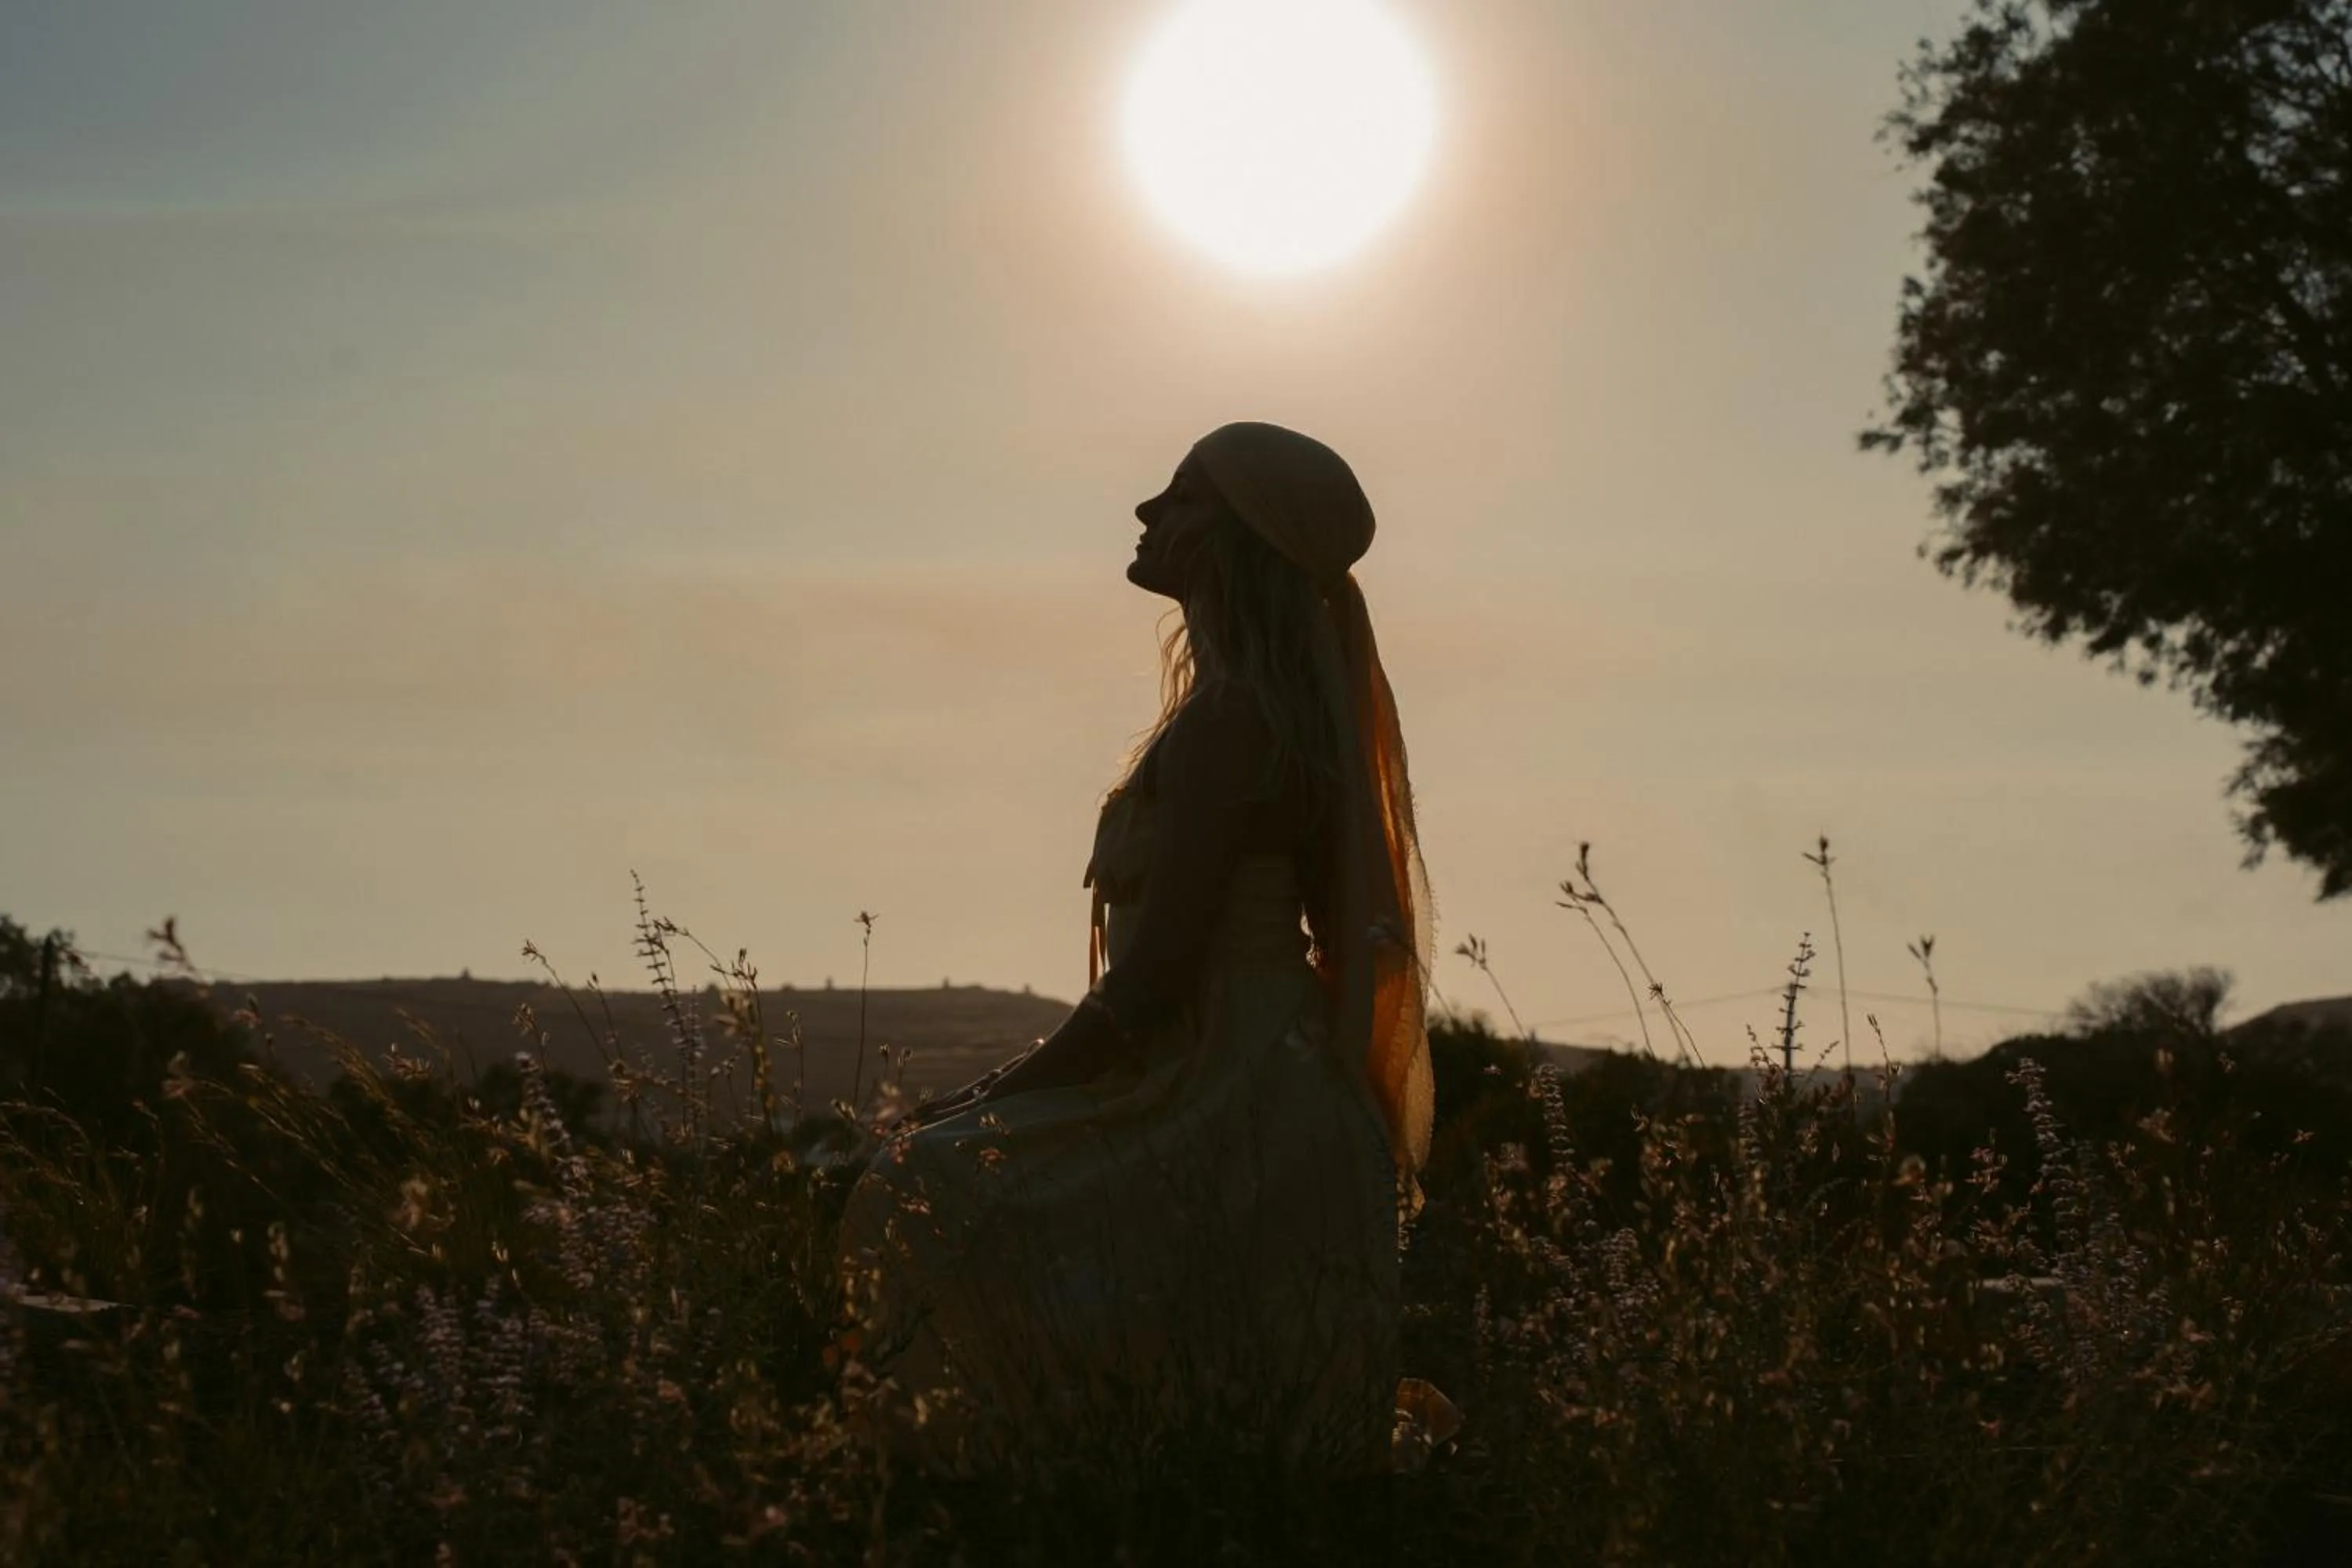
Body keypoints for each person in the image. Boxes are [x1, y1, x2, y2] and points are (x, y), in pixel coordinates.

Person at [836, 421, 1449, 1476]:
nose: (1147, 512)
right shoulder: (1267, 715)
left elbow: (1155, 983)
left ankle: (950, 1492)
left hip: (1223, 1085)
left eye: (1181, 497)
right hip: (1264, 1079)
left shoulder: (1229, 725)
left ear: (1236, 538)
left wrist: (973, 1105)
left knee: (912, 1188)